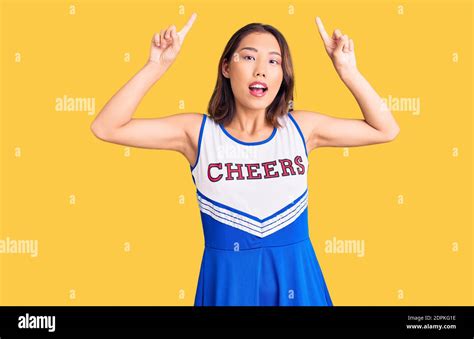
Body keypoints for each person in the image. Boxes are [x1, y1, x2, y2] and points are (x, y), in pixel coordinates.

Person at [91, 13, 400, 306]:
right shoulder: (198, 134)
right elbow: (106, 127)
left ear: (282, 74)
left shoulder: (302, 129)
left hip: (297, 278)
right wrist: (155, 66)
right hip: (227, 282)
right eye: (249, 57)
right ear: (226, 67)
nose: (261, 70)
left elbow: (385, 128)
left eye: (273, 61)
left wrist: (348, 71)